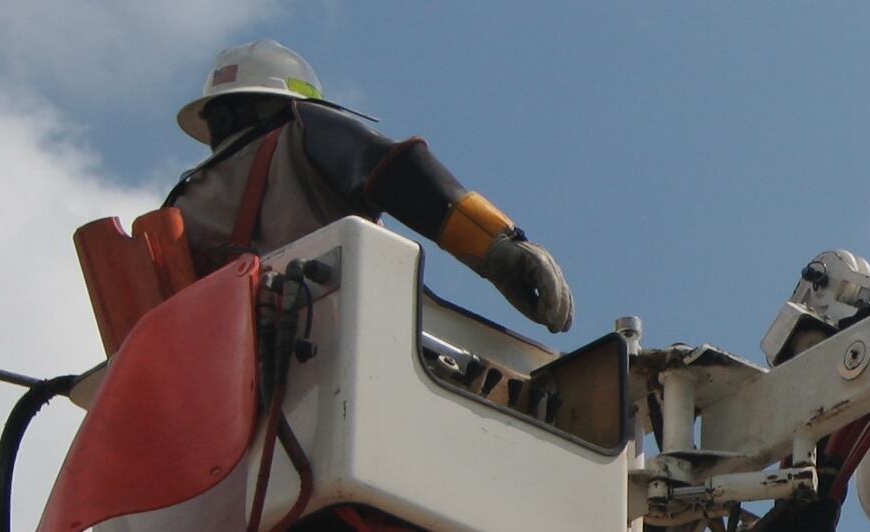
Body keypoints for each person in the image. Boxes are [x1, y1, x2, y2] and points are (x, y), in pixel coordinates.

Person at [165, 39, 574, 331]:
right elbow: (400, 172)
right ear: (291, 101)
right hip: (336, 337)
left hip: (226, 395)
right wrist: (500, 247)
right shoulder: (303, 129)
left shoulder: (182, 204)